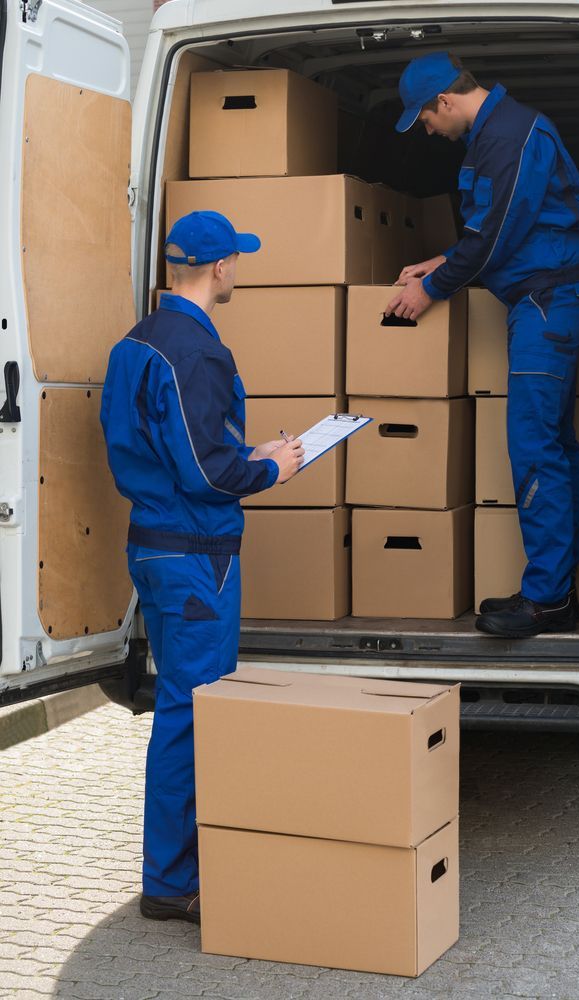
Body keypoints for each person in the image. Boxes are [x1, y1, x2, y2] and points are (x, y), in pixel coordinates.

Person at [100, 211, 304, 924]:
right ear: (220, 268)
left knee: (180, 708)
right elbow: (206, 474)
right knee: (189, 714)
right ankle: (171, 880)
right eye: (236, 260)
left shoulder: (134, 345)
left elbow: (167, 454)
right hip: (195, 556)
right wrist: (270, 467)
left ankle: (177, 866)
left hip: (156, 544)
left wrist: (245, 458)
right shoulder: (195, 352)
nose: (236, 269)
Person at [387, 52, 579, 639]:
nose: (427, 130)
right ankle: (555, 592)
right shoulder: (495, 136)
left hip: (547, 303)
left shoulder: (508, 136)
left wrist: (431, 288)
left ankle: (547, 600)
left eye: (425, 118)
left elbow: (497, 236)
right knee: (552, 447)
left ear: (447, 102)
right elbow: (496, 233)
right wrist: (441, 259)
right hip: (546, 298)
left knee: (535, 446)